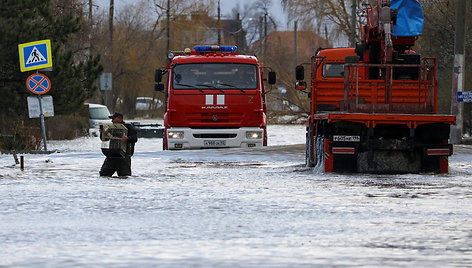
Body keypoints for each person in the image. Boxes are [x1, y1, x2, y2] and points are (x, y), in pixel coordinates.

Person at [99, 112, 138, 177]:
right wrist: (102, 133)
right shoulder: (110, 128)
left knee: (125, 176)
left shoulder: (129, 127)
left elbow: (135, 138)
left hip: (124, 156)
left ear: (120, 118)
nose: (112, 120)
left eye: (114, 118)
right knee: (104, 174)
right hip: (111, 155)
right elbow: (105, 139)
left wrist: (127, 138)